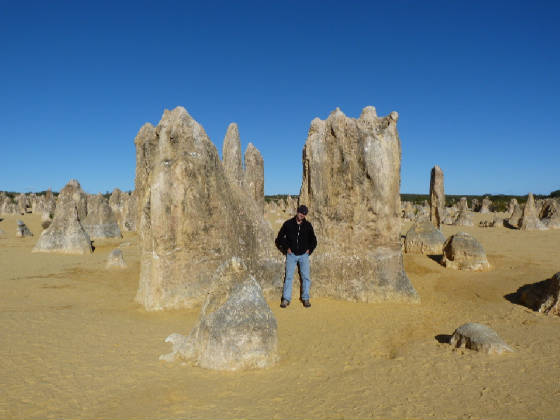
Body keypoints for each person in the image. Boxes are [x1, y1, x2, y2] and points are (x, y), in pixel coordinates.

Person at [275, 204, 317, 308]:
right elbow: (279, 238)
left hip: (304, 255)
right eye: (300, 212)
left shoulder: (308, 225)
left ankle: (306, 298)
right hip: (291, 254)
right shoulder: (288, 224)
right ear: (297, 212)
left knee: (306, 277)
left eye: (304, 213)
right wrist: (286, 248)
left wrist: (309, 250)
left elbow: (314, 240)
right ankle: (286, 299)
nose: (302, 215)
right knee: (289, 277)